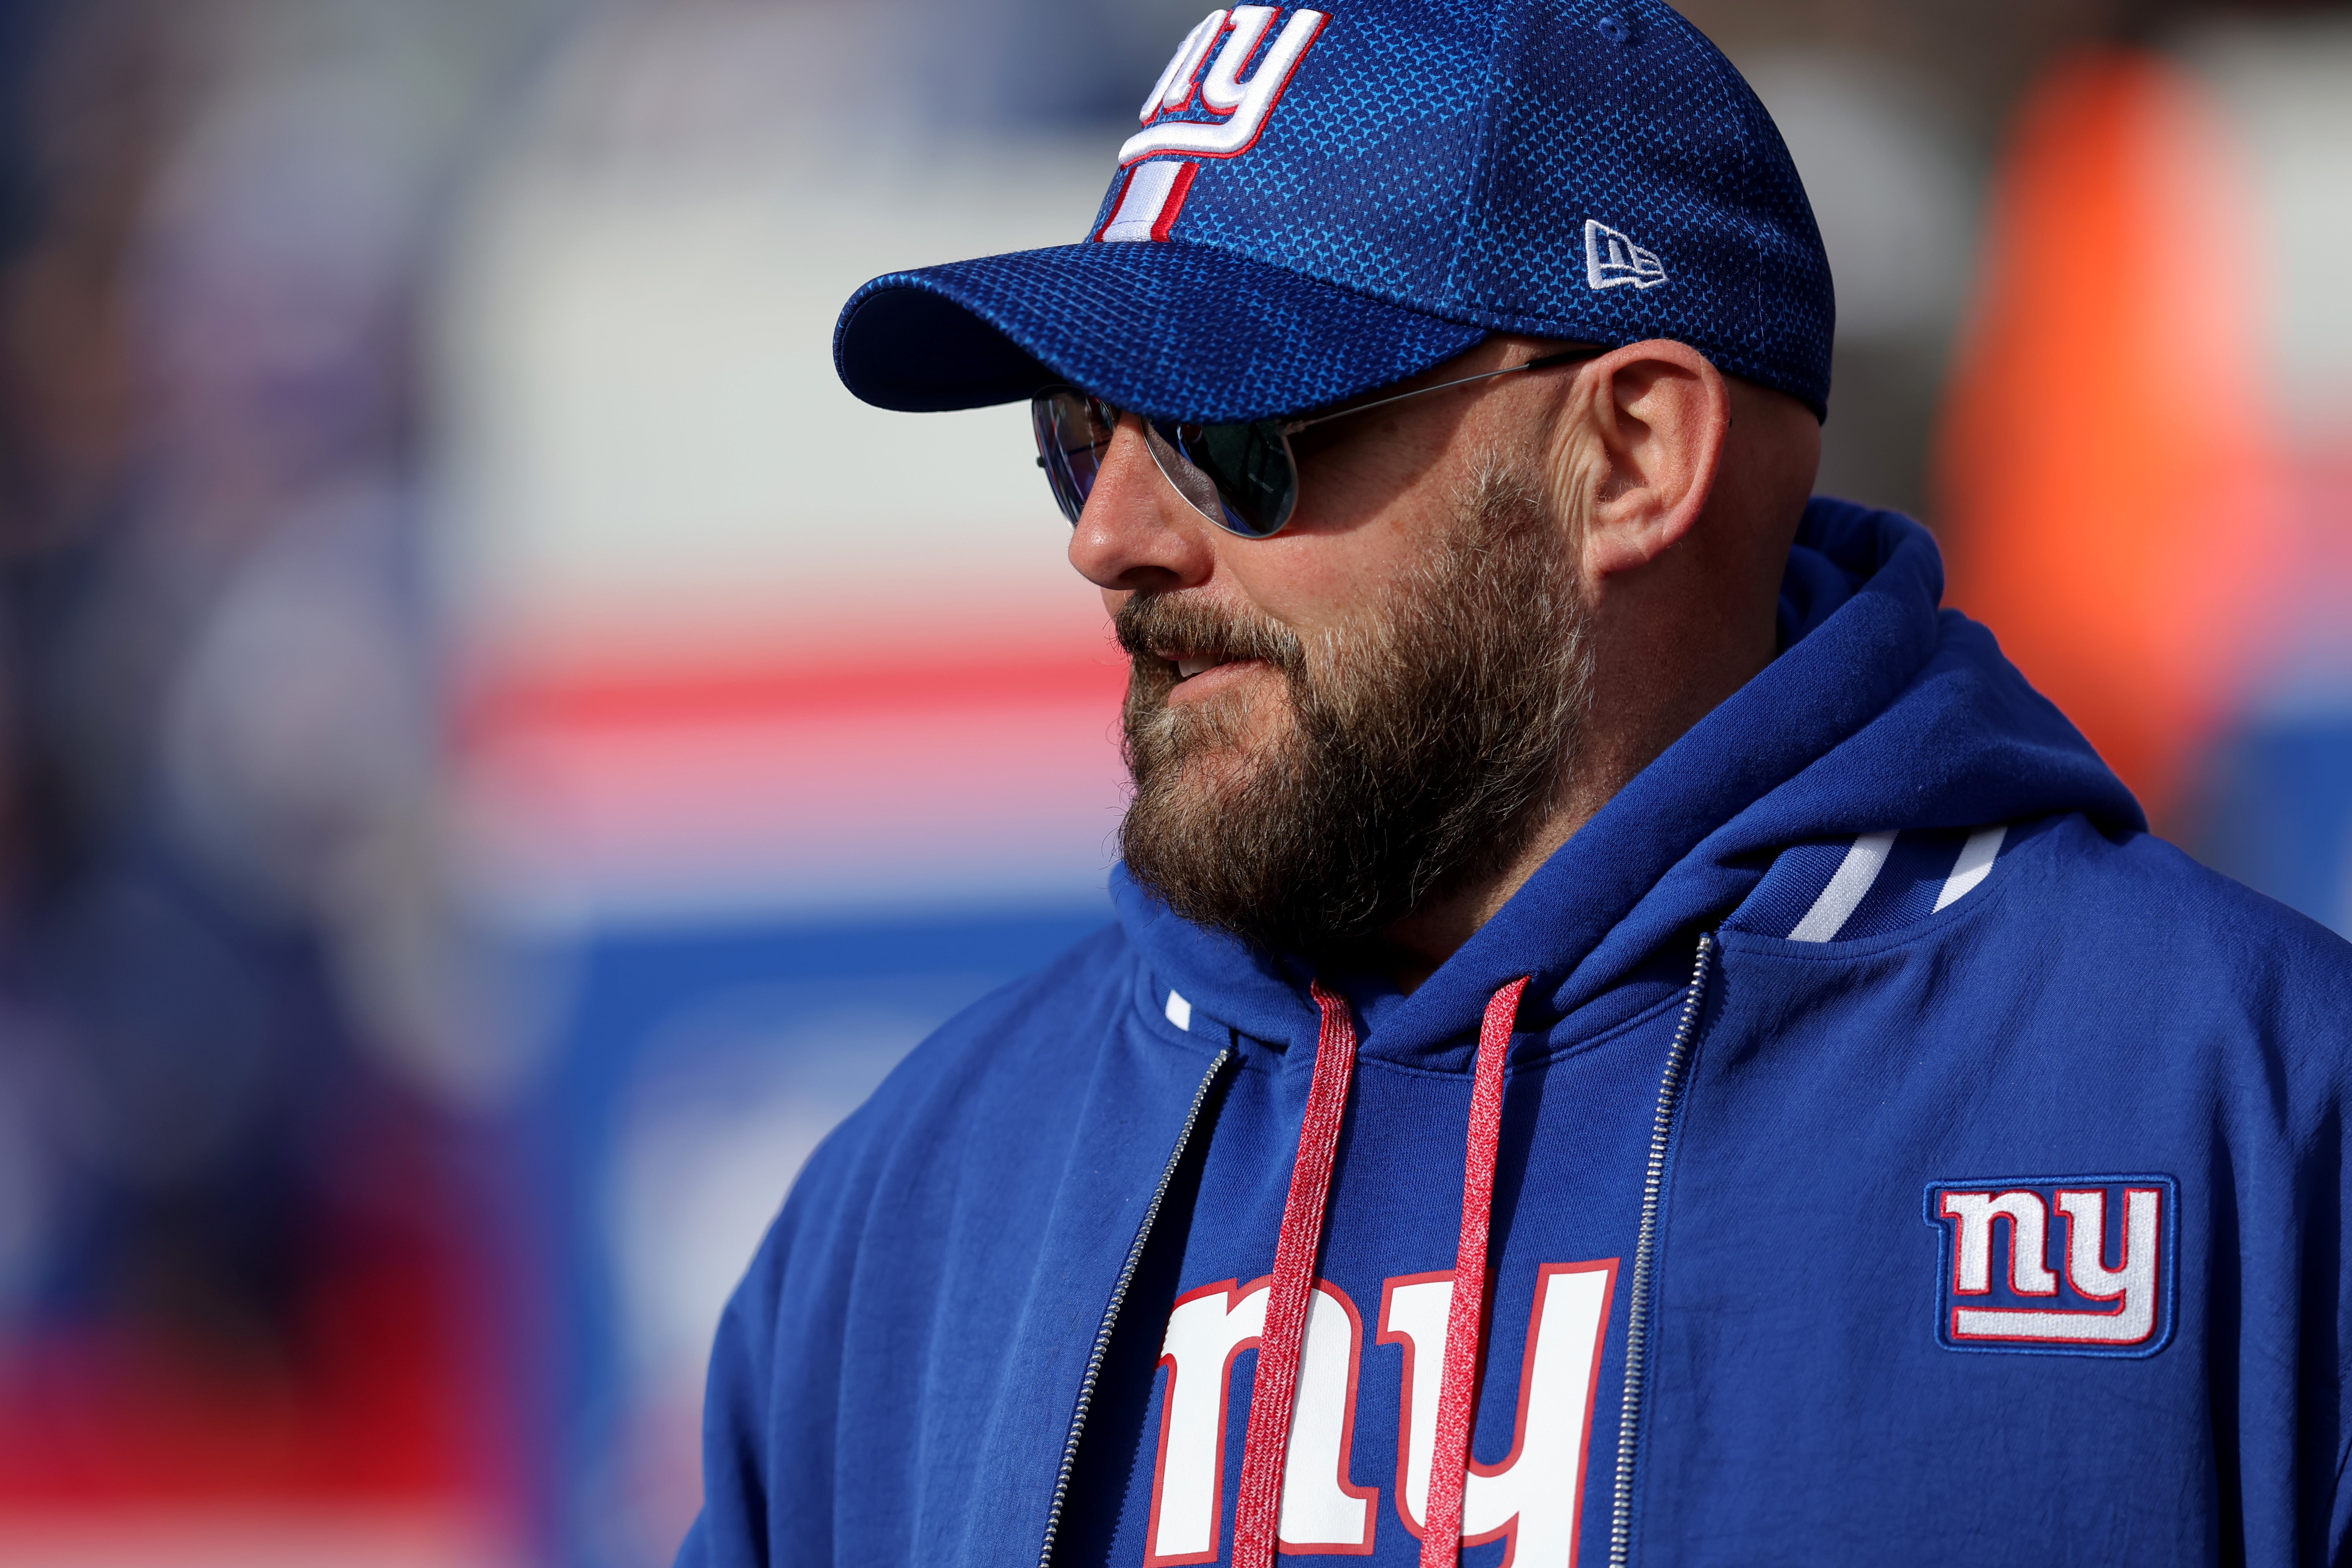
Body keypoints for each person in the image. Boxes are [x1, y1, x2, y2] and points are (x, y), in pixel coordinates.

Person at [678, 2, 2352, 1564]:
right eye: (1081, 424)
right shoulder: (912, 1214)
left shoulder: (2234, 1112)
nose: (1109, 537)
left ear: (1628, 456)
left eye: (1232, 429)